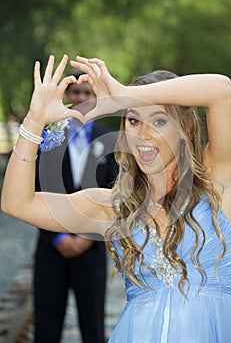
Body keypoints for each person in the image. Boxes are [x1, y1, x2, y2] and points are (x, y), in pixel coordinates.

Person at [1, 54, 231, 343]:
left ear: (185, 127)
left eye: (159, 120)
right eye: (133, 120)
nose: (143, 134)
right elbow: (16, 203)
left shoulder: (217, 184)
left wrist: (125, 95)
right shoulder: (113, 207)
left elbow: (222, 91)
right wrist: (34, 121)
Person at [33, 69, 118, 343]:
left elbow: (115, 193)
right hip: (51, 245)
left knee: (92, 326)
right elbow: (34, 187)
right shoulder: (47, 136)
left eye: (87, 92)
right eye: (75, 92)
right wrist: (58, 235)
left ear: (95, 97)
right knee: (47, 325)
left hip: (91, 247)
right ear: (67, 97)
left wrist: (86, 237)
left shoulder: (109, 139)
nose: (81, 97)